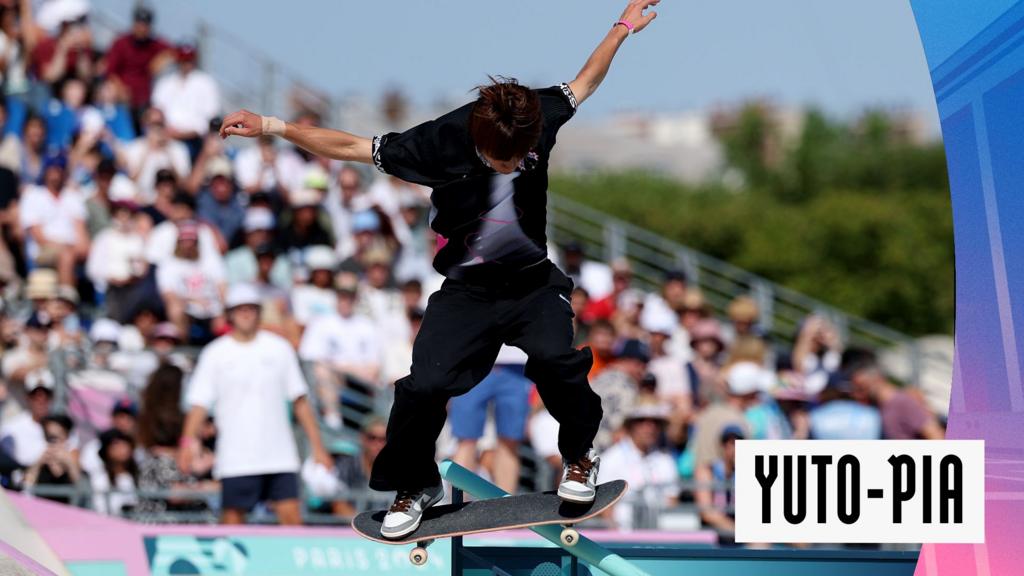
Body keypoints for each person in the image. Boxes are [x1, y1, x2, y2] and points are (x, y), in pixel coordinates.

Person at [219, 0, 658, 538]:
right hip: (468, 292)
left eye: (524, 157)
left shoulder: (534, 117)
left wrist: (621, 27)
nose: (517, 165)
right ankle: (417, 484)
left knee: (554, 358)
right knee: (422, 386)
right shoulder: (437, 143)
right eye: (505, 160)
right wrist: (271, 125)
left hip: (531, 285)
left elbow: (583, 82)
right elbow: (349, 146)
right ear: (479, 144)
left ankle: (579, 457)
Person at [179, 283, 331, 525]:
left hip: (279, 454)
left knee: (291, 517)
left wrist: (318, 447)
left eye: (251, 308)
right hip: (235, 456)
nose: (246, 313)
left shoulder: (279, 349)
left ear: (259, 312)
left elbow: (300, 401)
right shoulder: (215, 354)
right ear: (230, 314)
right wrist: (186, 442)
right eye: (240, 309)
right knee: (232, 520)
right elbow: (199, 404)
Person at [598, 401, 678, 530]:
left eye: (655, 423)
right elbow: (604, 506)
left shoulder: (666, 461)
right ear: (630, 426)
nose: (650, 428)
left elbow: (672, 500)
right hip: (622, 535)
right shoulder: (611, 459)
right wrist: (616, 536)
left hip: (659, 536)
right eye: (642, 421)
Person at [847, 360, 944, 440]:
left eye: (861, 388)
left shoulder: (903, 402)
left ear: (877, 378)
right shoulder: (879, 406)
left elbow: (935, 436)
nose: (857, 395)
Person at [694, 425, 743, 545]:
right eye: (729, 443)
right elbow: (707, 513)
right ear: (722, 446)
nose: (733, 449)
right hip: (714, 534)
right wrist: (739, 533)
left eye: (738, 444)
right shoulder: (707, 471)